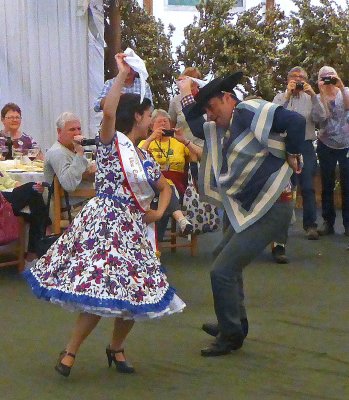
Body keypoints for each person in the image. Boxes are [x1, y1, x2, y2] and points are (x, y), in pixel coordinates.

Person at [24, 52, 185, 377]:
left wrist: (158, 212)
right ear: (138, 116)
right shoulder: (113, 143)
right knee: (98, 290)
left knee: (134, 292)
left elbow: (166, 187)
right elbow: (108, 110)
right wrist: (121, 75)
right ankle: (70, 351)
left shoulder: (143, 157)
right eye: (148, 114)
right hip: (104, 227)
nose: (152, 119)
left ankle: (116, 347)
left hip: (133, 230)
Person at [179, 72, 305, 356]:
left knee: (222, 270)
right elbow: (200, 130)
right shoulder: (232, 122)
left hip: (273, 206)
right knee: (222, 258)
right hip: (259, 205)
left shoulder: (248, 111)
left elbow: (296, 122)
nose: (210, 116)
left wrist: (295, 154)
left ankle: (231, 334)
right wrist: (186, 93)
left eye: (212, 108)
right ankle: (233, 323)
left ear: (227, 98)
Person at [271, 66, 322, 263]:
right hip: (284, 146)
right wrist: (287, 95)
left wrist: (314, 95)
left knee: (308, 187)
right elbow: (273, 118)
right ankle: (280, 238)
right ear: (288, 80)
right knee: (284, 190)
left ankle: (310, 226)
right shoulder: (279, 97)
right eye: (294, 77)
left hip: (306, 145)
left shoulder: (311, 98)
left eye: (302, 77)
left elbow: (321, 119)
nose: (298, 79)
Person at [139, 109, 202, 238]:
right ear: (151, 126)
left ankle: (154, 243)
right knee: (164, 189)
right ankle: (181, 220)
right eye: (159, 122)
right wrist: (151, 138)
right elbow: (136, 157)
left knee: (164, 192)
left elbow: (201, 155)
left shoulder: (178, 142)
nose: (163, 124)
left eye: (165, 121)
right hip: (151, 184)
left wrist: (185, 141)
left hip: (177, 184)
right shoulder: (146, 142)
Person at [312, 66, 349, 236]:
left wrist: (341, 86)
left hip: (346, 144)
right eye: (324, 78)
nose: (328, 80)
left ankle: (348, 225)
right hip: (326, 144)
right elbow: (322, 118)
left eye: (331, 77)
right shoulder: (318, 98)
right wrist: (320, 93)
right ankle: (328, 222)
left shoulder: (345, 91)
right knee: (327, 184)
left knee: (347, 184)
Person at [44, 112, 96, 203]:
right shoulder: (57, 152)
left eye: (79, 129)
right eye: (72, 129)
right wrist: (80, 153)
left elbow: (82, 176)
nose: (77, 133)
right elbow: (69, 184)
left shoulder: (72, 150)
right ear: (59, 132)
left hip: (88, 203)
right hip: (73, 210)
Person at [0, 166, 49, 263]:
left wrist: (25, 189)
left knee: (34, 194)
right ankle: (36, 248)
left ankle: (33, 252)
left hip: (7, 199)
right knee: (32, 188)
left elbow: (10, 182)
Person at [168, 67, 204, 147]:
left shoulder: (205, 98)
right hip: (181, 148)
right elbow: (171, 127)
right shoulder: (175, 101)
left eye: (193, 80)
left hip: (202, 148)